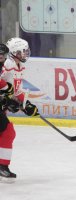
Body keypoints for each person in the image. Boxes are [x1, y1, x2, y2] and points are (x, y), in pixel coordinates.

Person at [0, 38, 39, 182]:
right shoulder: (7, 64)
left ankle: (2, 167)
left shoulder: (19, 66)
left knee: (6, 132)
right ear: (14, 52)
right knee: (8, 131)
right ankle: (2, 167)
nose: (25, 54)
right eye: (22, 51)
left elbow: (15, 92)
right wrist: (6, 97)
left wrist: (26, 104)